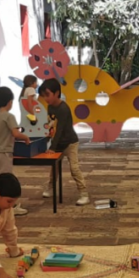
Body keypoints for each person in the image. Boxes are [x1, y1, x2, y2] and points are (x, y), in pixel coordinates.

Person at [38, 78, 89, 206]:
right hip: (58, 143)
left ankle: (84, 194)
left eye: (48, 95)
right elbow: (51, 126)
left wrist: (52, 148)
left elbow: (59, 130)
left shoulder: (63, 109)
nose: (46, 98)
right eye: (43, 95)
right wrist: (46, 140)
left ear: (57, 93)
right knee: (54, 168)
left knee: (74, 168)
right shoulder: (50, 107)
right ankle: (50, 188)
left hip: (70, 143)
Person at [0, 87, 31, 216]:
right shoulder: (9, 116)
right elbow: (15, 133)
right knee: (6, 180)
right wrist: (26, 138)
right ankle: (9, 206)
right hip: (4, 152)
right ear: (10, 102)